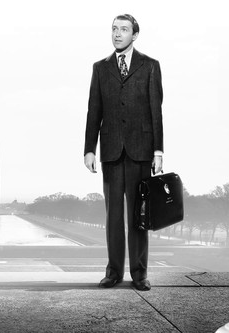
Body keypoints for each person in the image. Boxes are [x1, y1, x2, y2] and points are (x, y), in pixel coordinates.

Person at [83, 14, 163, 291]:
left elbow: (156, 112)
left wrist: (158, 150)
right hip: (111, 152)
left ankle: (139, 274)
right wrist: (89, 150)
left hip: (141, 152)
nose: (117, 34)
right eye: (114, 29)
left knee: (139, 217)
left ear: (135, 34)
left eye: (124, 29)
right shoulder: (100, 68)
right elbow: (94, 111)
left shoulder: (150, 66)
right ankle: (113, 272)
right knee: (113, 217)